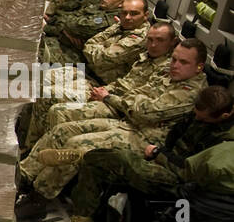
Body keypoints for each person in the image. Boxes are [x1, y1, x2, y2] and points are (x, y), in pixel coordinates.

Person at [16, 38, 209, 216]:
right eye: (174, 59)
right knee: (64, 130)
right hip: (128, 122)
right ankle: (24, 177)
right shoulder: (170, 76)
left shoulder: (191, 93)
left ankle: (40, 196)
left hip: (144, 140)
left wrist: (134, 103)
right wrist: (137, 103)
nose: (175, 65)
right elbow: (137, 94)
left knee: (76, 143)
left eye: (183, 62)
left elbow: (147, 111)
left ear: (199, 67)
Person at [41, 85, 234, 222]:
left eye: (203, 119)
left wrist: (160, 155)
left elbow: (189, 171)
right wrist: (161, 152)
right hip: (165, 159)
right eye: (196, 115)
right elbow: (175, 135)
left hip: (180, 182)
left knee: (122, 158)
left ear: (224, 115)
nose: (197, 120)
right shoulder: (200, 113)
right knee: (96, 167)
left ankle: (82, 155)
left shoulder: (224, 143)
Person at [24, 19, 178, 150]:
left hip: (117, 105)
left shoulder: (167, 68)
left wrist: (107, 96)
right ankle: (32, 145)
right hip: (107, 90)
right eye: (150, 40)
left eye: (160, 40)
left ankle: (44, 153)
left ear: (173, 42)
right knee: (43, 88)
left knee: (58, 109)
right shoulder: (146, 57)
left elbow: (102, 59)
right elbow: (90, 47)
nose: (153, 45)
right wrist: (105, 91)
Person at [40, 0, 132, 66]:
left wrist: (65, 26)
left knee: (35, 52)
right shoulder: (100, 7)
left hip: (73, 55)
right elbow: (68, 17)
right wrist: (65, 28)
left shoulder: (111, 19)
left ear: (121, 3)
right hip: (61, 41)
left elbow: (73, 26)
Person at [38, 0, 103, 62]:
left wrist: (46, 27)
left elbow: (72, 27)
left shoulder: (94, 0)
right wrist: (51, 21)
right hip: (57, 31)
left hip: (68, 47)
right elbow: (64, 17)